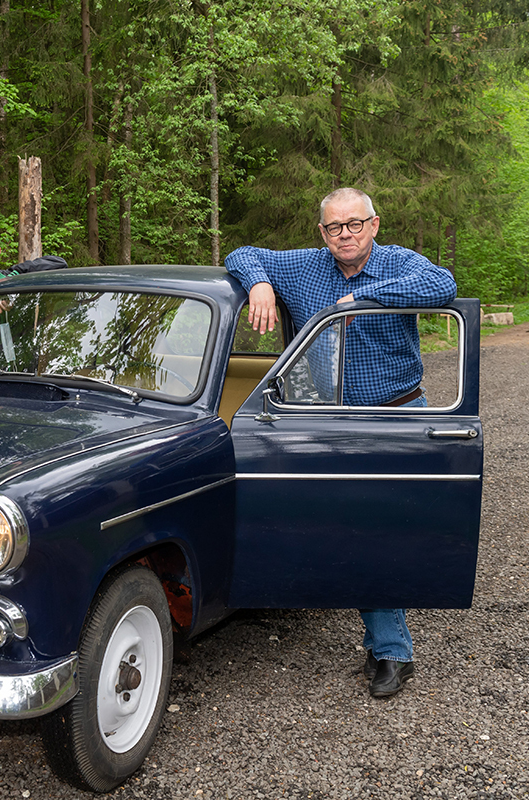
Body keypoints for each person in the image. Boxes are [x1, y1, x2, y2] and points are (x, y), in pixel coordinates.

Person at [224, 187, 456, 698]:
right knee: (319, 517)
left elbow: (443, 284)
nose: (345, 235)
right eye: (334, 227)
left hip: (395, 415)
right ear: (322, 232)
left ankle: (392, 650)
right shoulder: (305, 266)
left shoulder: (400, 263)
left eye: (354, 224)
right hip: (323, 415)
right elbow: (242, 254)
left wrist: (366, 299)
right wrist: (260, 284)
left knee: (377, 528)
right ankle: (277, 597)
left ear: (374, 224)